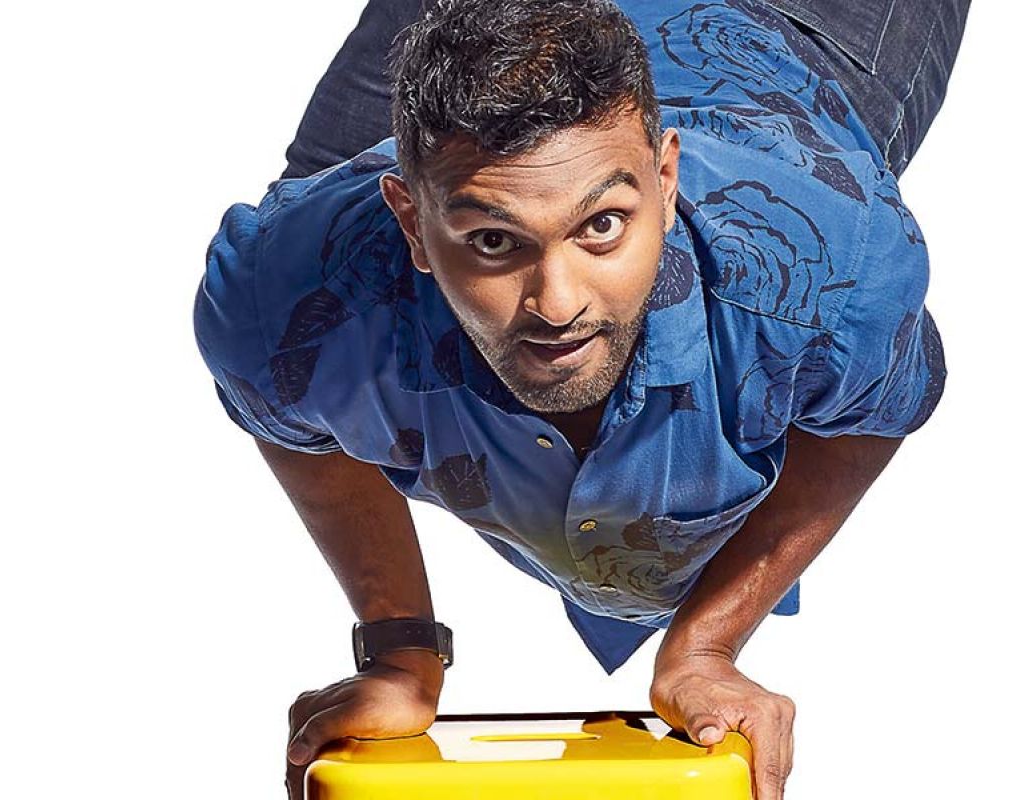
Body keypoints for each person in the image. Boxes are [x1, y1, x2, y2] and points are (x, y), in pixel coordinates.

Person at [192, 1, 971, 798]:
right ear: (410, 224)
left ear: (665, 182)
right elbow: (284, 403)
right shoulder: (279, 295)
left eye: (601, 226)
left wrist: (705, 643)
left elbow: (869, 416)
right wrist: (400, 645)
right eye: (494, 241)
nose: (557, 303)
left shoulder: (836, 272)